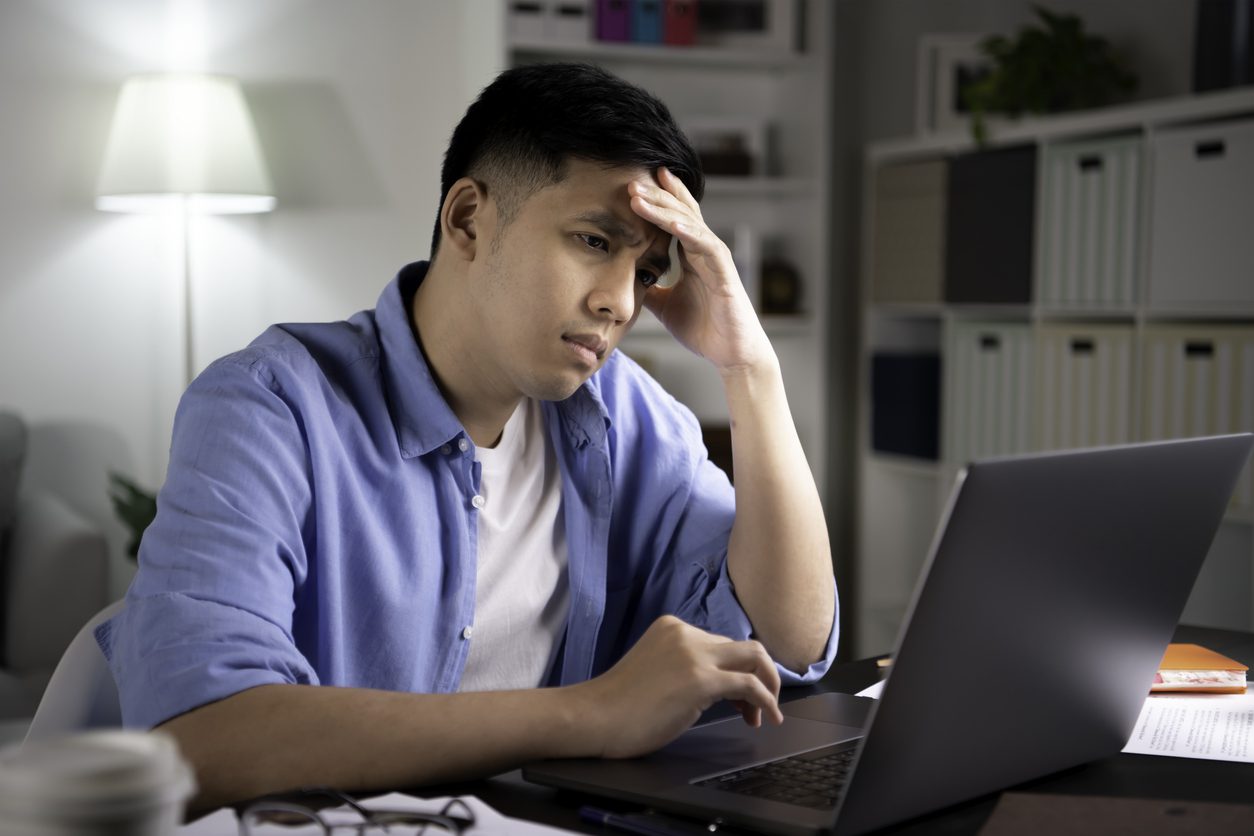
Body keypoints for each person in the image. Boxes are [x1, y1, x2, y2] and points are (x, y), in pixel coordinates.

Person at [97, 62, 837, 813]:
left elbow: (790, 638)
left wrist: (751, 369)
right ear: (468, 220)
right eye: (592, 240)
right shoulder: (270, 406)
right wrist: (594, 713)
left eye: (646, 272)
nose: (619, 302)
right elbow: (203, 736)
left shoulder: (629, 414)